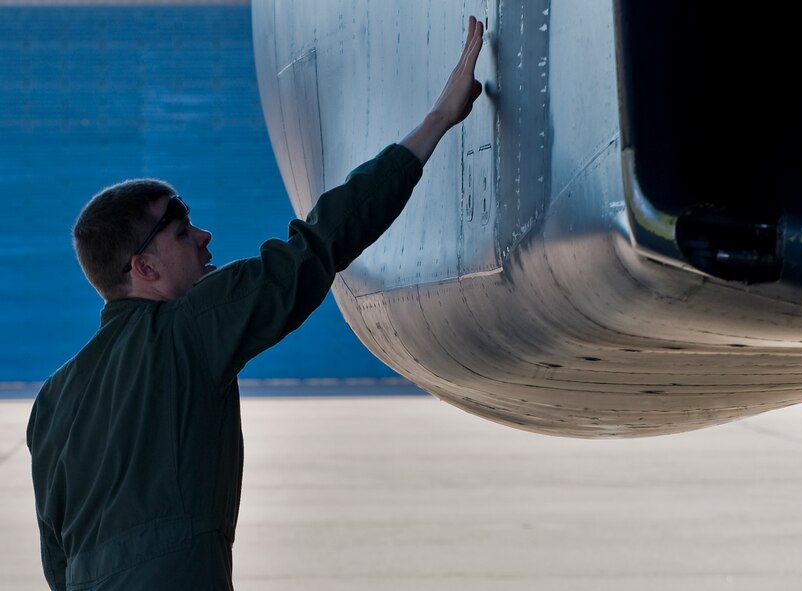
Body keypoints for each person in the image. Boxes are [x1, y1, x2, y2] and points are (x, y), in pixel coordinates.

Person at [26, 16, 484, 591]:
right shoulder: (186, 331)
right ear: (143, 269)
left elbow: (58, 563)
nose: (203, 237)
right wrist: (437, 121)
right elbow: (319, 242)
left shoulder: (51, 402)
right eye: (180, 227)